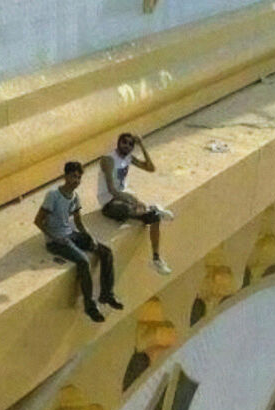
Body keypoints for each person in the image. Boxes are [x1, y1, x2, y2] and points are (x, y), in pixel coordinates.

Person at [35, 161, 123, 323]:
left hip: (70, 234)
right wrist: (54, 237)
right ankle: (90, 306)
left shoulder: (75, 197)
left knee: (105, 251)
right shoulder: (53, 195)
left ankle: (107, 294)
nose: (76, 180)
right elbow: (38, 221)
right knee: (83, 261)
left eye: (79, 177)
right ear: (65, 176)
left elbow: (79, 222)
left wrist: (90, 238)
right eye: (73, 176)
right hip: (56, 241)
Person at [99, 132, 174, 275]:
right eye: (124, 142)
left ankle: (156, 259)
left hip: (124, 199)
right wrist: (131, 199)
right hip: (109, 203)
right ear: (118, 143)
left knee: (154, 217)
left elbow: (151, 168)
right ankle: (150, 208)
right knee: (126, 209)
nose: (126, 146)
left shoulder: (128, 158)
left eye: (130, 144)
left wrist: (142, 145)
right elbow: (111, 190)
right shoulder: (108, 160)